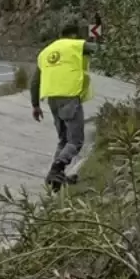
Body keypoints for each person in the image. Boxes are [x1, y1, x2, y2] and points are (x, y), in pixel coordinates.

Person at [31, 20, 96, 192]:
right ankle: (57, 169)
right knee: (75, 141)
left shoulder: (46, 52)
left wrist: (35, 105)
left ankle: (56, 180)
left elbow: (35, 81)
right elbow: (99, 50)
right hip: (69, 97)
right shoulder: (75, 45)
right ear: (74, 35)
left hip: (52, 100)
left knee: (63, 140)